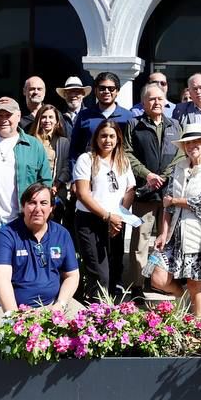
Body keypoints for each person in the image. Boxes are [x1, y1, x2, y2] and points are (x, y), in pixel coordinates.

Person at [0, 97, 52, 352]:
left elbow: (44, 181)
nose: (4, 119)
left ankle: (19, 323)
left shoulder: (32, 145)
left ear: (18, 117)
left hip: (21, 224)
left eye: (9, 115)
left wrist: (39, 218)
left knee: (19, 276)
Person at [147, 125, 201, 317]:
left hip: (200, 234)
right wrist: (163, 232)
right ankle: (181, 298)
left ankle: (197, 325)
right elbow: (167, 202)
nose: (191, 146)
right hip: (174, 233)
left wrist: (176, 201)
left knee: (195, 283)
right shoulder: (178, 167)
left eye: (196, 141)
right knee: (157, 278)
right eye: (187, 143)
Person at [0, 183, 80, 324]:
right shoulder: (6, 235)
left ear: (51, 207)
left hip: (53, 304)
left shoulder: (62, 234)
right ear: (23, 206)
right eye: (32, 203)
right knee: (2, 340)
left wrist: (60, 305)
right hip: (10, 307)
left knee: (87, 327)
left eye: (44, 203)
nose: (38, 209)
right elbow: (1, 279)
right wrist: (15, 317)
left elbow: (72, 276)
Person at [124, 83, 183, 292]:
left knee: (166, 241)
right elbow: (126, 153)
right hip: (144, 193)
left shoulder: (175, 125)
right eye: (152, 99)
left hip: (168, 193)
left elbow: (181, 154)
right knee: (140, 241)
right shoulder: (134, 124)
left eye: (160, 98)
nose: (157, 102)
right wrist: (147, 175)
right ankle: (137, 285)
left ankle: (161, 282)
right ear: (143, 102)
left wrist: (165, 177)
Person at [71, 119, 136, 301]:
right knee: (100, 274)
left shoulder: (123, 161)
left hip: (115, 222)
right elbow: (83, 194)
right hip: (90, 221)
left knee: (115, 272)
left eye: (112, 136)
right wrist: (108, 217)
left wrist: (119, 216)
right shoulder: (87, 159)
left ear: (118, 139)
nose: (107, 140)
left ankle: (111, 318)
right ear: (96, 138)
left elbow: (130, 189)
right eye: (103, 136)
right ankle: (96, 317)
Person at [69, 72, 135, 166]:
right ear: (95, 91)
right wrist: (74, 173)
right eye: (102, 88)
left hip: (119, 170)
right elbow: (74, 149)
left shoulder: (128, 116)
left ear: (117, 91)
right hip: (89, 170)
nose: (106, 91)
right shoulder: (84, 115)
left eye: (111, 88)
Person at [28, 103, 71, 217]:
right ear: (39, 119)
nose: (47, 120)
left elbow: (67, 167)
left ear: (57, 121)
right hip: (33, 189)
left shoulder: (63, 142)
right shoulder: (30, 141)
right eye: (44, 117)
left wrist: (56, 186)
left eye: (51, 117)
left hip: (55, 191)